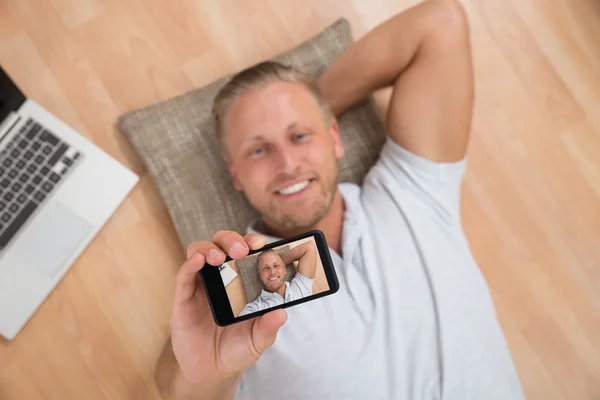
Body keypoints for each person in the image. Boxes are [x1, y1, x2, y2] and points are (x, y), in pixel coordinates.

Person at [155, 1, 525, 399]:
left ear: (334, 137)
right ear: (235, 175)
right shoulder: (250, 293)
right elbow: (177, 386)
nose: (288, 164)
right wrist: (201, 374)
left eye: (300, 137)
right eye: (259, 150)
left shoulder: (411, 190)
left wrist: (303, 102)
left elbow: (440, 22)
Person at [239, 242, 317, 316]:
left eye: (276, 266)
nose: (272, 272)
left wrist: (281, 264)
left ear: (284, 269)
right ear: (260, 276)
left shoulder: (301, 285)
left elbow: (309, 247)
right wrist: (279, 265)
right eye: (266, 268)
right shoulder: (255, 308)